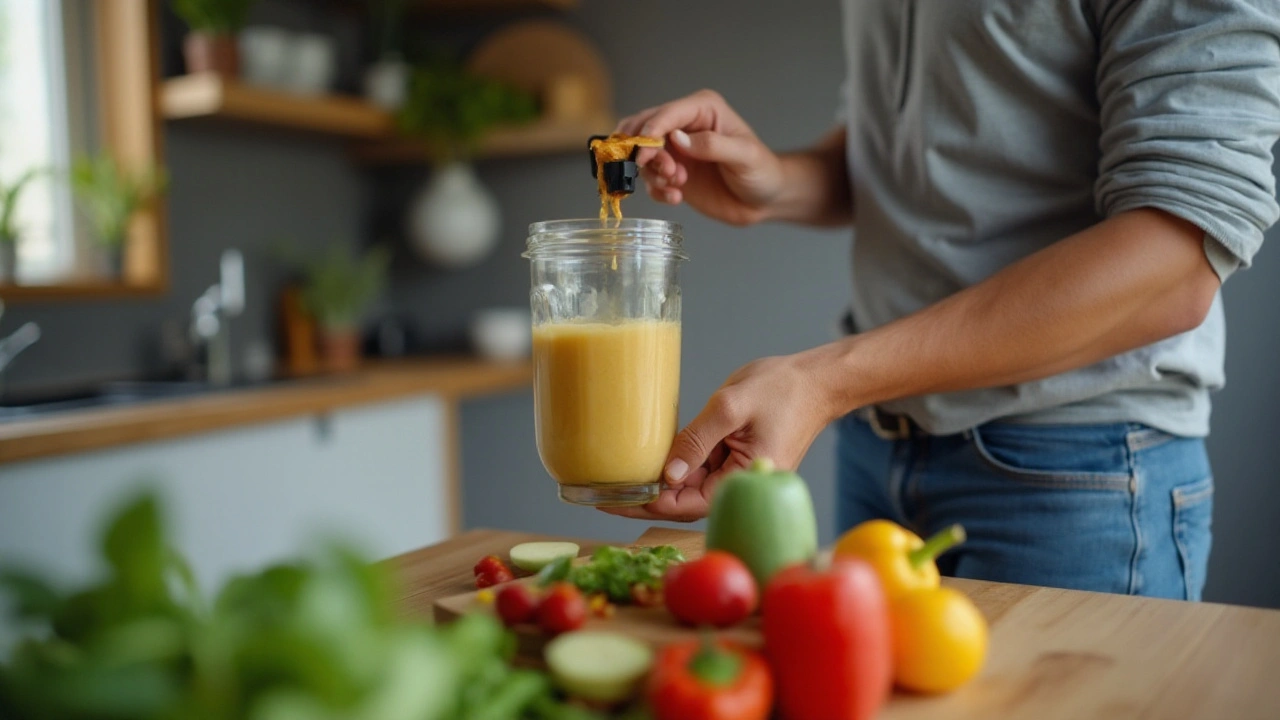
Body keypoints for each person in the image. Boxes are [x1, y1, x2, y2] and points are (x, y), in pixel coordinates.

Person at [603, 0, 1280, 601]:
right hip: (878, 447)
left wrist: (825, 381)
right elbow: (925, 140)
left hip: (1075, 473)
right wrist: (778, 182)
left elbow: (1178, 254)